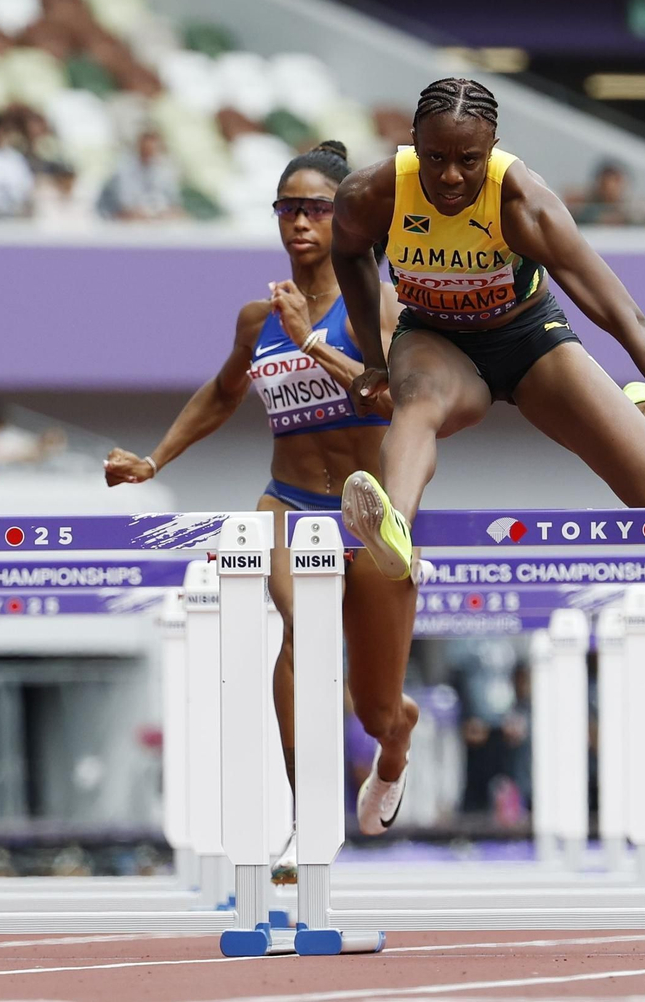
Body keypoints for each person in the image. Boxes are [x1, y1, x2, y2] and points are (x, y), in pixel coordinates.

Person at [104, 141, 420, 884]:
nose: (300, 222)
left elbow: (397, 400)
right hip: (288, 502)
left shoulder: (379, 306)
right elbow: (222, 393)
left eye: (317, 209)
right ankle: (309, 819)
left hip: (371, 517)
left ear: (348, 219)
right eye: (288, 209)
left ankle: (395, 743)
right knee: (302, 632)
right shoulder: (259, 317)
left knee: (376, 711)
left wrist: (311, 340)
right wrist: (155, 459)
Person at [329, 78, 645, 581]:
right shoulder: (373, 193)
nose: (451, 176)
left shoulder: (525, 205)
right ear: (414, 142)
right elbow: (349, 253)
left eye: (469, 160)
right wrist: (375, 361)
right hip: (435, 340)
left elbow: (625, 317)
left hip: (529, 340)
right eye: (435, 158)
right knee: (416, 398)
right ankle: (394, 525)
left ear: (492, 149)